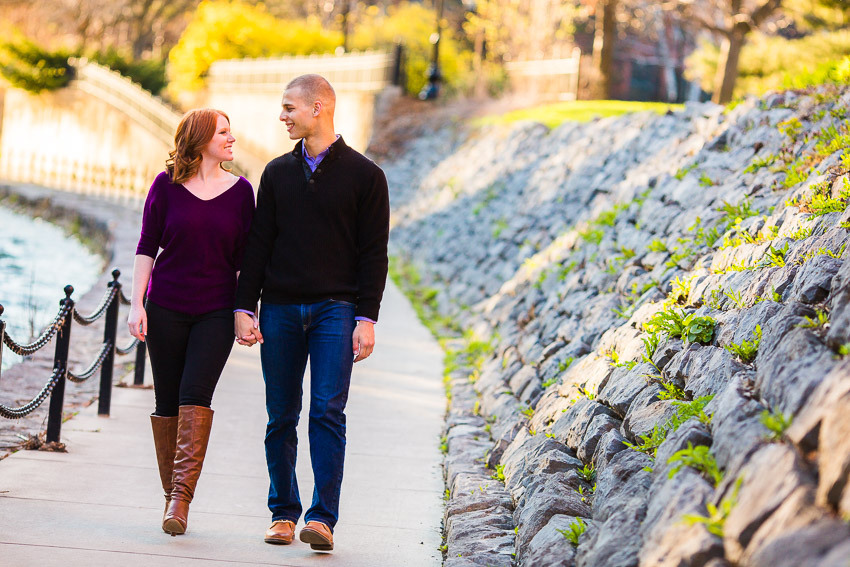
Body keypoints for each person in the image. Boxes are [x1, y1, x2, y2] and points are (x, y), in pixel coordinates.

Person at [233, 74, 389, 551]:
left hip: (334, 311)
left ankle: (321, 518)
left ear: (318, 107)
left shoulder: (366, 177)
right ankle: (283, 512)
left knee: (326, 411)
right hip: (278, 308)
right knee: (280, 414)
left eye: (289, 108)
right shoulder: (276, 173)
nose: (281, 116)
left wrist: (367, 318)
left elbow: (373, 254)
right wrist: (244, 306)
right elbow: (258, 244)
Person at [127, 108, 255, 536]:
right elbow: (147, 245)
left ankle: (180, 500)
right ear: (201, 139)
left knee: (194, 395)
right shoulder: (166, 186)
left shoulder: (242, 192)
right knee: (167, 403)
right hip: (165, 307)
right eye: (223, 132)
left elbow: (244, 261)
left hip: (216, 312)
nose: (232, 138)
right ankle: (172, 499)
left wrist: (246, 310)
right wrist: (136, 304)